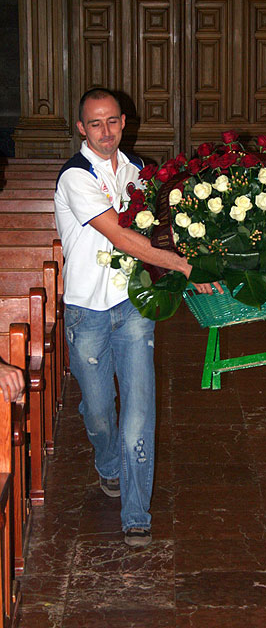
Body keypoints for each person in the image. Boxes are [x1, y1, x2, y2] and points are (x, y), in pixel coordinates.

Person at [55, 87, 217, 548]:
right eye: (95, 124)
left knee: (139, 411)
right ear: (82, 128)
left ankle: (135, 511)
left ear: (123, 122)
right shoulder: (75, 177)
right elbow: (123, 238)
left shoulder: (141, 172)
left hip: (133, 307)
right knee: (101, 409)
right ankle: (107, 461)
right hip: (87, 310)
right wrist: (187, 267)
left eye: (112, 122)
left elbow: (167, 227)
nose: (105, 133)